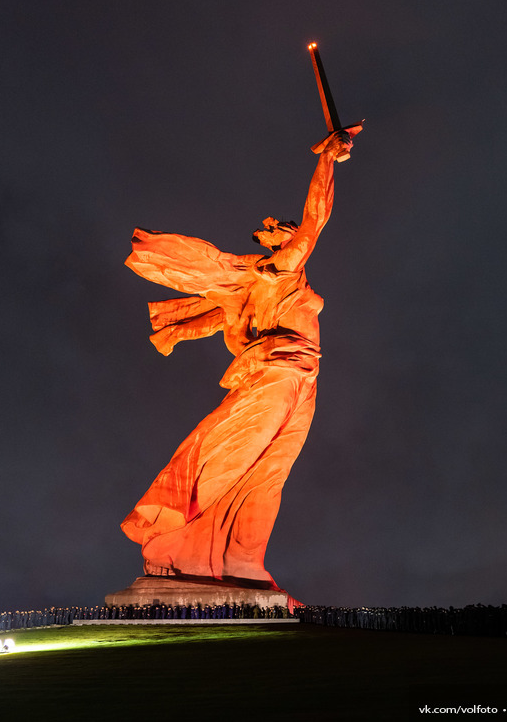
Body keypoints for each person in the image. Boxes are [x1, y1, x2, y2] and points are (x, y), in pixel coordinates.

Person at [122, 129, 358, 589]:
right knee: (236, 459)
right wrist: (327, 160)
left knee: (270, 473)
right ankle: (172, 546)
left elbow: (209, 318)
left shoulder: (258, 285)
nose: (297, 241)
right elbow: (317, 218)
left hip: (304, 377)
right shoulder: (279, 270)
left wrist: (175, 333)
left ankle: (242, 561)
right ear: (283, 244)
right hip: (274, 372)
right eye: (289, 237)